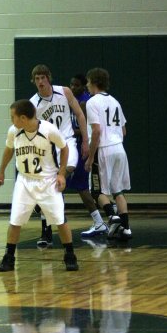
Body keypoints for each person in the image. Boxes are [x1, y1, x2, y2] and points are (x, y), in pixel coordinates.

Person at [0, 99, 79, 272]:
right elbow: (9, 149)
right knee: (15, 220)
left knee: (60, 220)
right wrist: (1, 171)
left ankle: (70, 255)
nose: (11, 120)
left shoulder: (49, 130)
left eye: (13, 117)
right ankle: (9, 257)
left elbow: (64, 149)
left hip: (48, 181)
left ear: (23, 118)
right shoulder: (14, 131)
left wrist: (61, 174)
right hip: (24, 181)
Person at [29, 64, 89, 248]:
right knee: (51, 186)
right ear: (34, 81)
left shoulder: (64, 92)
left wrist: (86, 140)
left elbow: (79, 114)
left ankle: (43, 210)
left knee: (64, 173)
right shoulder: (32, 104)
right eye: (37, 79)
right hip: (47, 147)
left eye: (43, 78)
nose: (40, 81)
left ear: (49, 78)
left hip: (67, 141)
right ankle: (46, 230)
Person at [84, 68, 132, 241]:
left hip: (103, 149)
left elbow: (96, 131)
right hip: (119, 148)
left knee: (97, 191)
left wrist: (90, 157)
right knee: (117, 191)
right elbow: (124, 130)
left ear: (94, 82)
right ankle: (126, 229)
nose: (87, 85)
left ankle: (113, 217)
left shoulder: (92, 102)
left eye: (88, 82)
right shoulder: (115, 101)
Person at [68, 73, 111, 237]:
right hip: (75, 147)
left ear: (84, 85)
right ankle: (109, 218)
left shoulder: (86, 102)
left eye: (76, 85)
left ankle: (102, 221)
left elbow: (86, 129)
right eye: (71, 84)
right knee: (85, 187)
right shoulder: (71, 99)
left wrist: (69, 131)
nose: (73, 87)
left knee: (83, 187)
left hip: (83, 147)